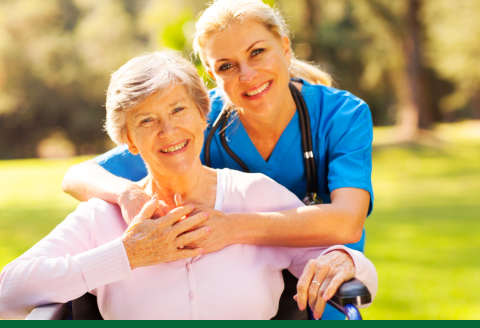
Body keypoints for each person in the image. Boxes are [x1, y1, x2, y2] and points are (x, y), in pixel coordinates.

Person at [0, 52, 377, 320]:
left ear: (202, 115)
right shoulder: (103, 217)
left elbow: (356, 273)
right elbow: (7, 293)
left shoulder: (256, 194)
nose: (168, 131)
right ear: (129, 141)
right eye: (147, 120)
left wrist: (345, 259)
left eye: (179, 110)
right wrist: (128, 256)